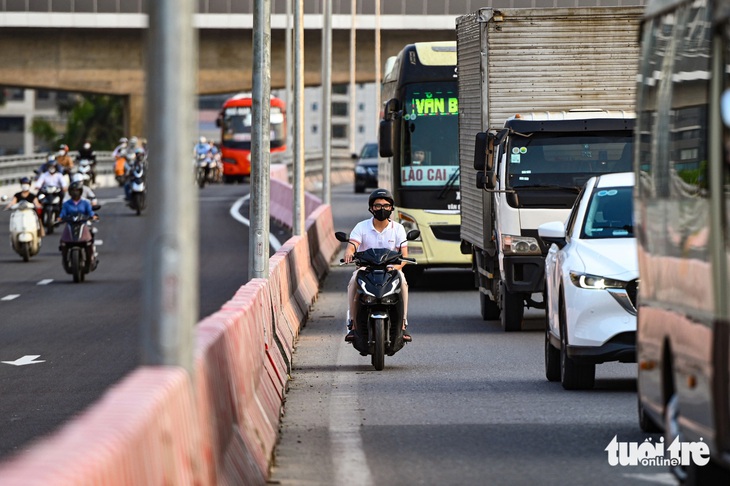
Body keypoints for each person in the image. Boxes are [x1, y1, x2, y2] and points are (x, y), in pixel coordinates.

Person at [343, 188, 412, 342]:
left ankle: (402, 324)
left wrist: (396, 267)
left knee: (404, 283)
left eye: (386, 206)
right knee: (353, 282)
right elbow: (352, 245)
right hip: (366, 270)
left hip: (391, 271)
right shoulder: (361, 227)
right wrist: (349, 252)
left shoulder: (399, 229)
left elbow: (405, 256)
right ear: (371, 208)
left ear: (391, 208)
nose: (382, 209)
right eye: (378, 205)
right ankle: (353, 325)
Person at [58, 181, 99, 267]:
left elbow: (90, 212)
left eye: (77, 190)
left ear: (80, 192)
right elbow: (62, 213)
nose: (75, 192)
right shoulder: (66, 204)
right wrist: (59, 218)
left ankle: (91, 256)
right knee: (63, 242)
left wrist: (93, 216)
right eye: (73, 190)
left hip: (83, 224)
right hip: (70, 224)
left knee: (90, 237)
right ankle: (65, 259)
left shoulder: (85, 203)